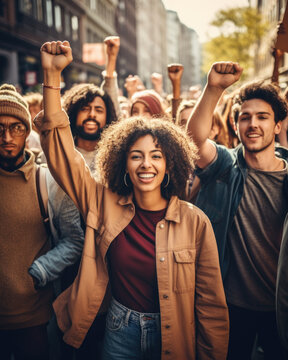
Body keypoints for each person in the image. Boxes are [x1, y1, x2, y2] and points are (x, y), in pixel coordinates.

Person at [36, 40, 229, 360]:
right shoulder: (103, 201)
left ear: (171, 165)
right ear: (122, 163)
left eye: (156, 156)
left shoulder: (195, 222)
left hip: (176, 336)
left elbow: (211, 304)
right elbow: (62, 154)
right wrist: (52, 77)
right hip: (118, 330)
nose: (146, 164)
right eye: (136, 156)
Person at [187, 61, 288, 360]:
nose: (253, 124)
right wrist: (214, 88)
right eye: (245, 118)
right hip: (231, 306)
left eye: (262, 117)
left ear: (278, 126)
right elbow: (193, 141)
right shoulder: (225, 167)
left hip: (280, 309)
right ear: (235, 125)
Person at [29, 36, 119, 360]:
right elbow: (54, 132)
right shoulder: (61, 160)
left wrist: (110, 66)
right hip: (68, 273)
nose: (93, 115)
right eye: (85, 109)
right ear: (73, 114)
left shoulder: (117, 159)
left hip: (111, 273)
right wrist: (51, 77)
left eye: (99, 109)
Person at [0, 84, 53, 360]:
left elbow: (74, 239)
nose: (7, 136)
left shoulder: (45, 181)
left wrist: (42, 270)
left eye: (16, 128)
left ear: (27, 132)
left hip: (33, 319)